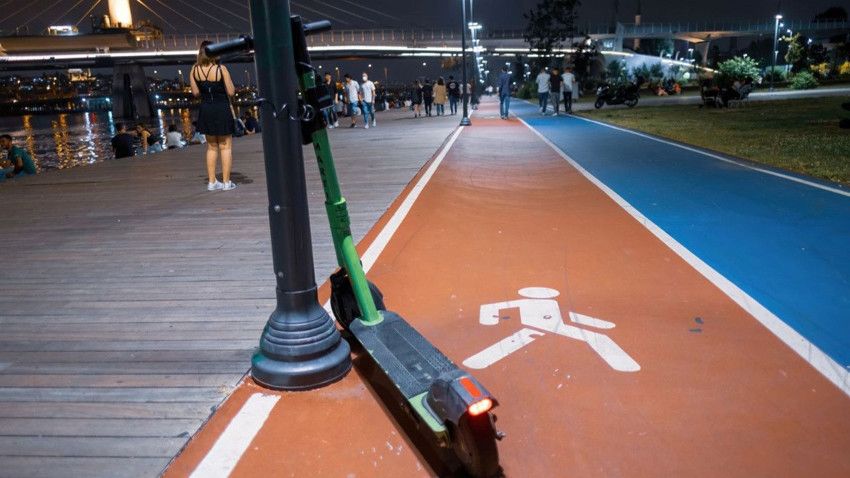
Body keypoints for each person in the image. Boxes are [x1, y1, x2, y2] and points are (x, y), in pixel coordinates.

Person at [190, 40, 237, 191]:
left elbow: (195, 92)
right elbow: (231, 92)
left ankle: (212, 182)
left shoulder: (194, 69)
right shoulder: (221, 69)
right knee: (225, 147)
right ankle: (226, 182)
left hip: (206, 109)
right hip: (221, 108)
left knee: (211, 147)